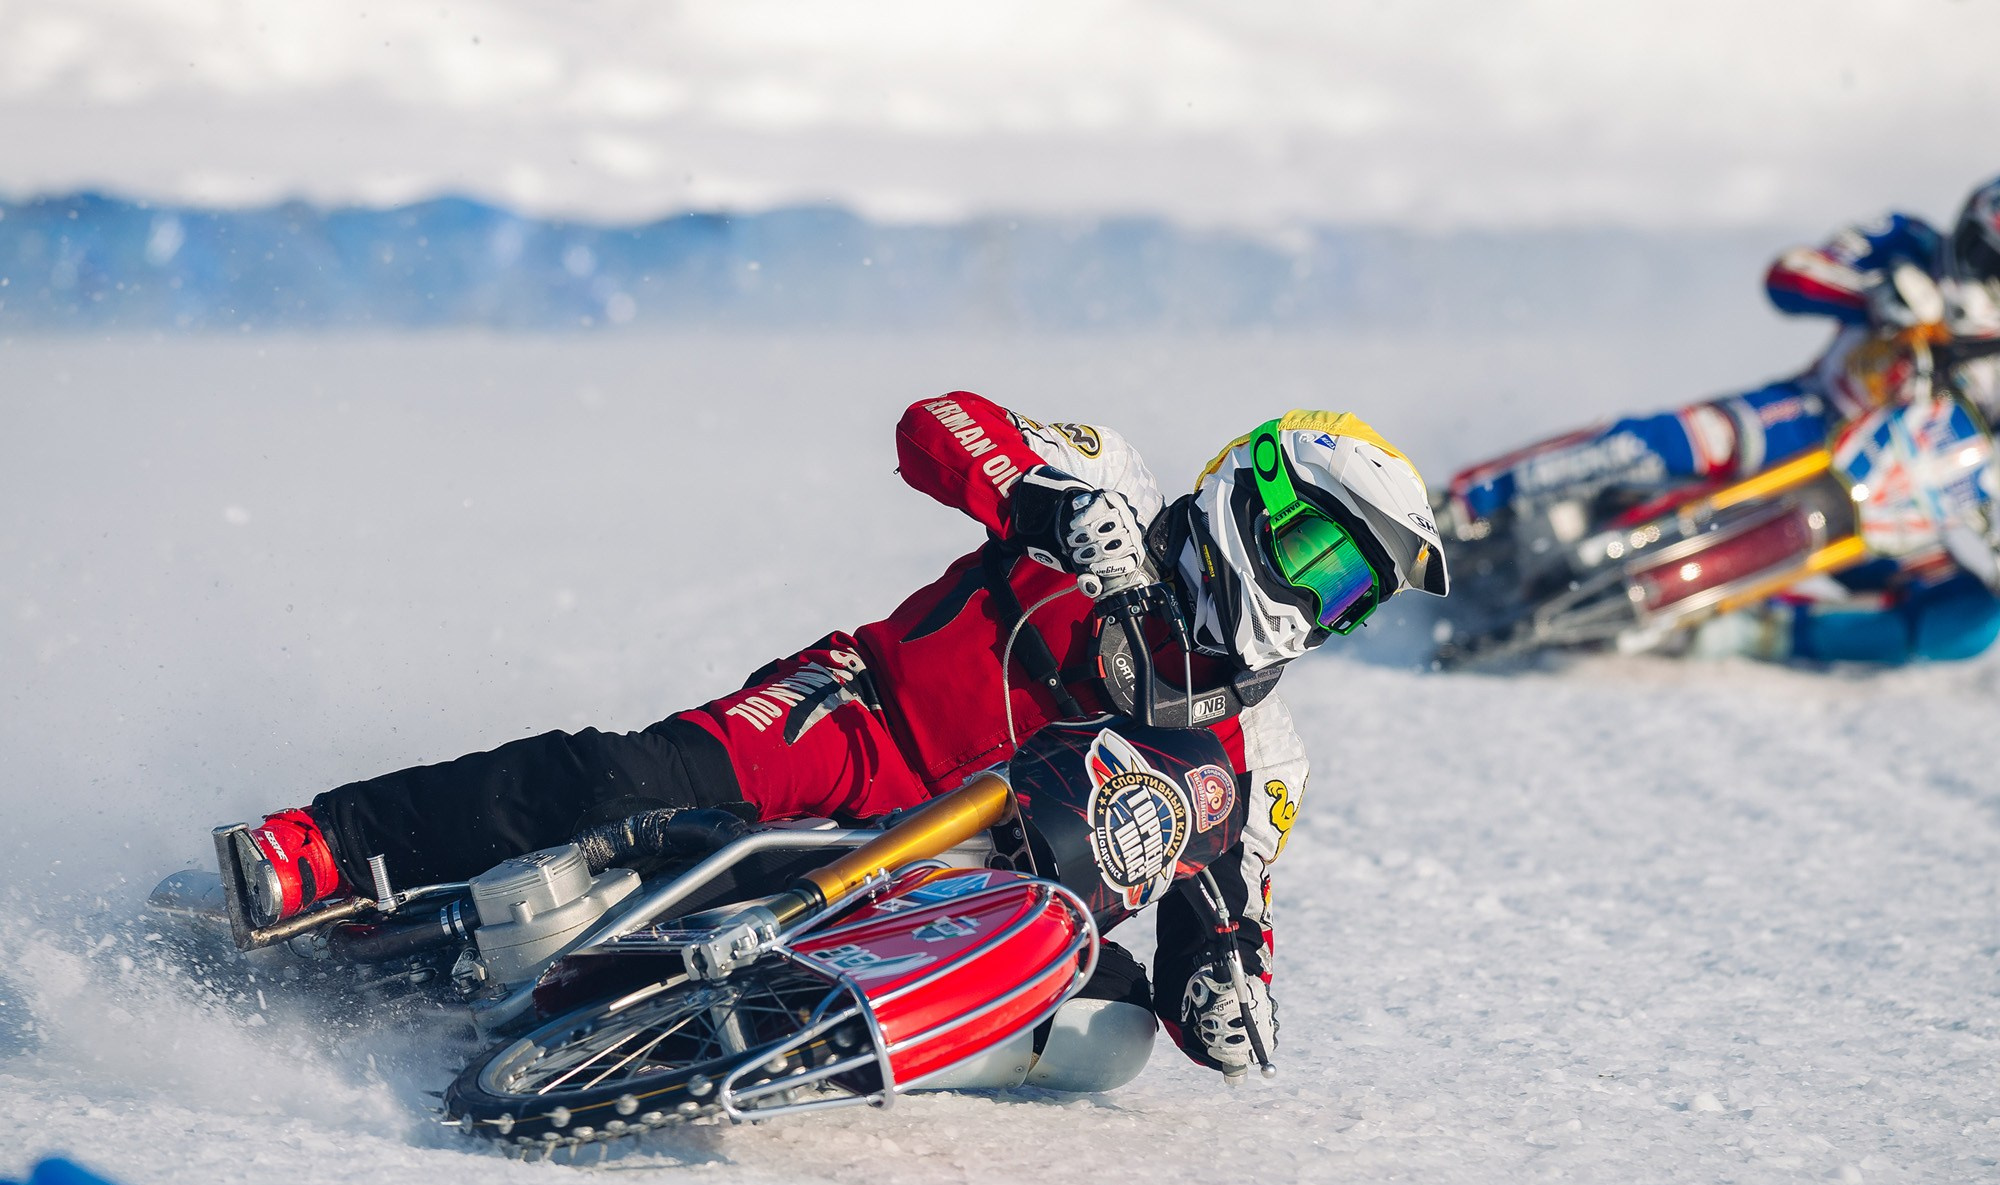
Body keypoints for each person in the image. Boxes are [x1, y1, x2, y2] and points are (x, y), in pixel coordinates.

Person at [228, 394, 1449, 1082]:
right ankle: (323, 847)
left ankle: (724, 1050)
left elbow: (1223, 918)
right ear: (1256, 499)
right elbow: (940, 424)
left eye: (1349, 593)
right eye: (1319, 555)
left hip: (964, 893)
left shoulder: (1262, 754)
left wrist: (1222, 994)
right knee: (622, 779)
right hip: (860, 727)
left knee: (1110, 1031)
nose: (1314, 602)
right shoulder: (1111, 483)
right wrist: (1050, 506)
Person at [1442, 176, 2000, 665]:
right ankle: (1466, 502)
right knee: (1663, 439)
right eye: (1989, 261)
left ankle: (1755, 632)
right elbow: (1790, 275)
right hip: (1804, 417)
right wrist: (1874, 295)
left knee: (1969, 621)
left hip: (1900, 513)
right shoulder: (1908, 240)